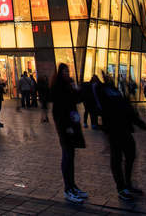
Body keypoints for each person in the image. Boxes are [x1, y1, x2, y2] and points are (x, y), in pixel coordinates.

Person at [99, 75, 146, 201]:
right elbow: (102, 110)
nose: (111, 77)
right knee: (117, 159)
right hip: (114, 131)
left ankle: (128, 183)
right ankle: (121, 188)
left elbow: (127, 109)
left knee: (130, 155)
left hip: (125, 129)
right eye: (108, 76)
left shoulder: (116, 91)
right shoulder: (103, 91)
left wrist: (138, 122)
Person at [50, 63, 88, 204]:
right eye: (65, 71)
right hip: (65, 127)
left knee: (71, 156)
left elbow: (77, 100)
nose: (67, 73)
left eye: (68, 71)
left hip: (72, 124)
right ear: (60, 73)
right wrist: (65, 127)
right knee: (67, 156)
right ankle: (68, 189)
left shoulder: (68, 85)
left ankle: (73, 186)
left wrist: (78, 90)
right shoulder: (58, 87)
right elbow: (58, 110)